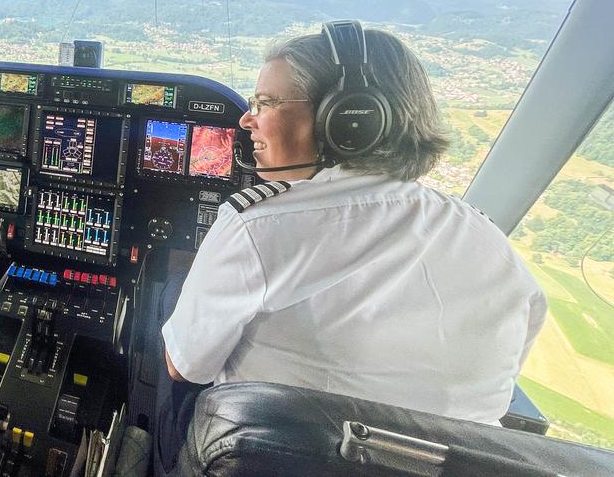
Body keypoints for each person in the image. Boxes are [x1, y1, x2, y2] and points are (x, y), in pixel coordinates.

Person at [157, 24, 545, 467]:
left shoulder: (257, 227)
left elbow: (185, 367)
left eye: (266, 102)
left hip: (269, 461)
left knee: (167, 299)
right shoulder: (493, 242)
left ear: (348, 118)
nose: (247, 120)